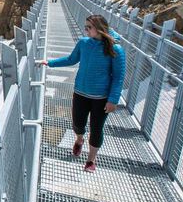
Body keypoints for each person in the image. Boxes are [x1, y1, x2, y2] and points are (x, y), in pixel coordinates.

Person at [39, 14, 126, 172]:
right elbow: (71, 59)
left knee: (96, 128)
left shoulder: (116, 49)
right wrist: (49, 63)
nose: (85, 30)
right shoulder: (84, 43)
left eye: (89, 27)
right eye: (85, 27)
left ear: (99, 29)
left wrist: (113, 100)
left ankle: (91, 159)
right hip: (80, 92)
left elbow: (119, 77)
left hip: (101, 97)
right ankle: (79, 139)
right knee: (78, 123)